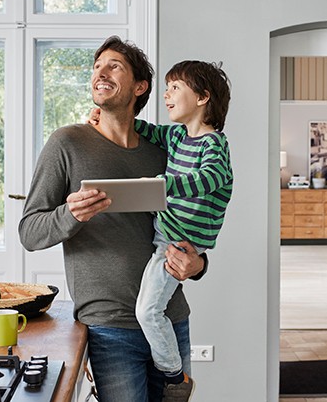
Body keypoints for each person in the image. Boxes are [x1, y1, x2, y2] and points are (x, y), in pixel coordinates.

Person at [19, 36, 208, 402]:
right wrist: (69, 214)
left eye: (114, 65)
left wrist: (198, 264)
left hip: (170, 319)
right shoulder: (67, 144)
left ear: (140, 87)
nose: (100, 72)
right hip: (109, 329)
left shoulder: (163, 151)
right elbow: (30, 232)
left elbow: (193, 221)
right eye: (96, 66)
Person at [130, 60, 233, 401]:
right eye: (167, 88)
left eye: (175, 88)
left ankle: (175, 375)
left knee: (147, 311)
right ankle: (173, 372)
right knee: (148, 309)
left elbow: (209, 179)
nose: (166, 94)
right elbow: (149, 131)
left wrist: (165, 185)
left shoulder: (214, 145)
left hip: (177, 245)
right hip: (166, 235)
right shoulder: (175, 135)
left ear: (203, 97)